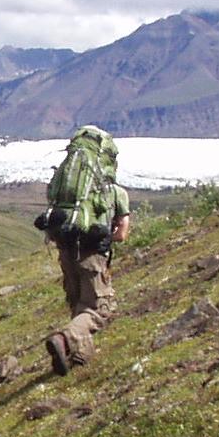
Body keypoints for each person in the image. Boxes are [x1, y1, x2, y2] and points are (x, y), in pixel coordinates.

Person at [44, 131, 131, 376]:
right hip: (92, 255)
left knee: (78, 303)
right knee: (100, 308)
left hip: (66, 250)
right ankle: (65, 339)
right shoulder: (114, 192)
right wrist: (105, 237)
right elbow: (122, 233)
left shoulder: (66, 189)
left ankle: (78, 356)